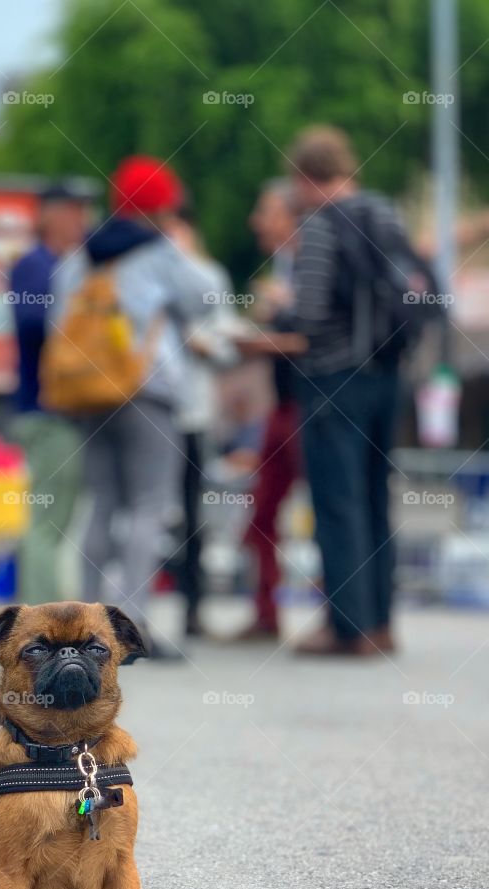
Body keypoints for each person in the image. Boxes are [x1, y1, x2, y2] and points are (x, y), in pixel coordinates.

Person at [51, 156, 215, 657]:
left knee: (100, 504)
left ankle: (78, 628)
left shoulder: (80, 255)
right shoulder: (159, 251)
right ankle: (128, 629)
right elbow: (206, 299)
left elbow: (57, 315)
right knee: (148, 506)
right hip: (147, 391)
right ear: (161, 208)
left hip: (87, 396)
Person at [288, 127, 407, 657]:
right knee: (377, 500)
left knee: (338, 504)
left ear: (302, 176)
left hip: (335, 379)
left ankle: (346, 628)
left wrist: (274, 316)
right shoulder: (386, 212)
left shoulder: (319, 224)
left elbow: (310, 314)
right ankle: (381, 624)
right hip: (389, 375)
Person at [229, 179, 308, 640]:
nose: (257, 221)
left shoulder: (310, 268)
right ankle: (266, 613)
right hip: (284, 407)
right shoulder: (285, 266)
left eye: (266, 211)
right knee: (261, 513)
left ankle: (348, 619)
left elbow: (312, 337)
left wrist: (264, 332)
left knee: (328, 512)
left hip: (310, 408)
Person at [8, 184, 90, 603]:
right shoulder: (35, 265)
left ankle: (46, 609)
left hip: (60, 410)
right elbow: (31, 322)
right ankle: (43, 615)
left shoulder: (65, 265)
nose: (85, 221)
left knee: (59, 517)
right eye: (77, 211)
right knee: (48, 519)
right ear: (52, 216)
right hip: (46, 410)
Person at [169, 198, 241, 638]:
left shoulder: (210, 276)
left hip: (192, 413)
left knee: (192, 512)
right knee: (144, 512)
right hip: (144, 411)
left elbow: (229, 341)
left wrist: (202, 344)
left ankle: (192, 609)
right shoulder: (142, 275)